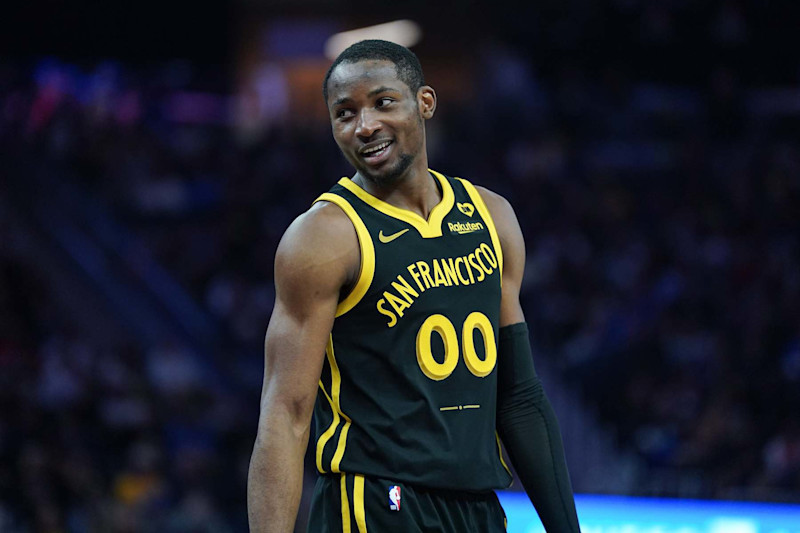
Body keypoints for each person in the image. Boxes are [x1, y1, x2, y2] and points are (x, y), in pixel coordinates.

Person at [248, 39, 581, 532]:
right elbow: (286, 413)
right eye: (345, 113)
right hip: (375, 502)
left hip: (476, 507)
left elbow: (520, 397)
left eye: (383, 102)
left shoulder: (491, 216)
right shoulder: (323, 236)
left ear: (424, 102)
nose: (365, 126)